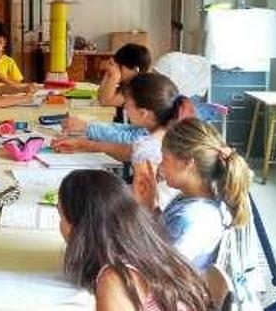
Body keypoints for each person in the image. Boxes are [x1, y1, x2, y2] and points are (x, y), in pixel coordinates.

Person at [58, 170, 212, 311]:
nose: (60, 225)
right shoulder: (148, 247)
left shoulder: (117, 279)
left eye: (61, 216)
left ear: (79, 226)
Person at [133, 118, 252, 271]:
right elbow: (164, 238)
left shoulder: (193, 218)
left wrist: (138, 217)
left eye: (164, 158)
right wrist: (152, 208)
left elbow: (161, 273)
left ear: (187, 163)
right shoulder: (193, 198)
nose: (160, 165)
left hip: (172, 290)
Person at [54, 73, 194, 166]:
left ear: (143, 113)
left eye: (127, 102)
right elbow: (127, 149)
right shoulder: (159, 130)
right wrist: (82, 144)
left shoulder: (150, 146)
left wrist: (84, 139)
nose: (124, 107)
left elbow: (131, 148)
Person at [97, 43, 152, 122]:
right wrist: (109, 73)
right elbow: (101, 96)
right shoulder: (127, 83)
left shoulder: (139, 88)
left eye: (120, 67)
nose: (117, 70)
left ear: (135, 70)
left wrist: (114, 76)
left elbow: (105, 101)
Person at [0, 22, 27, 87]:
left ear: (5, 42)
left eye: (0, 42)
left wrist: (2, 79)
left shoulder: (9, 62)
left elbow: (21, 84)